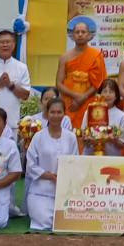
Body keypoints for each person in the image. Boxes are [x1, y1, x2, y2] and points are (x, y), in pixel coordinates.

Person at [25, 97, 79, 232]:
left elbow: (75, 161)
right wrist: (48, 175)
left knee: (66, 221)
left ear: (64, 114)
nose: (56, 116)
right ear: (47, 113)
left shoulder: (70, 137)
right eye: (52, 112)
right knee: (45, 221)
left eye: (59, 112)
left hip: (64, 191)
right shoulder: (38, 137)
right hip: (40, 191)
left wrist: (64, 176)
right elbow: (30, 165)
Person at [57, 18, 108, 129]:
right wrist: (77, 97)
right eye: (77, 32)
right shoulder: (64, 57)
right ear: (72, 35)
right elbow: (59, 83)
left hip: (89, 100)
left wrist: (82, 98)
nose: (80, 34)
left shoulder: (96, 55)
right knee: (69, 132)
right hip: (69, 102)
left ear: (89, 35)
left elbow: (99, 82)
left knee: (88, 132)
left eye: (83, 32)